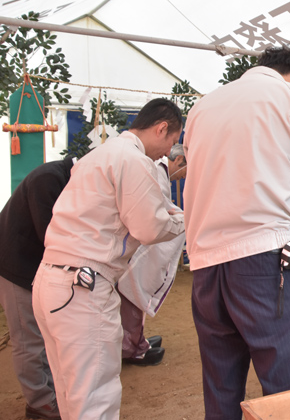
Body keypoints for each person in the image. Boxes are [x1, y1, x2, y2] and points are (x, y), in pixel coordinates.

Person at [183, 44, 290, 420]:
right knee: (286, 396)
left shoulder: (202, 107)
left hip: (207, 262)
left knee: (221, 385)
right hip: (268, 259)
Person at [32, 98, 186, 420]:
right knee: (94, 399)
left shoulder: (98, 156)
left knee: (70, 391)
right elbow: (149, 227)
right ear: (161, 129)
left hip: (50, 279)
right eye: (171, 143)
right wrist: (186, 220)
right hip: (82, 286)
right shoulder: (134, 160)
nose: (167, 154)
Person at [0, 158, 74, 420]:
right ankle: (39, 404)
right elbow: (50, 235)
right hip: (17, 267)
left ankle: (47, 394)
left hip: (33, 267)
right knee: (28, 340)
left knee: (41, 337)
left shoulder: (61, 177)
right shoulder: (49, 179)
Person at [118, 143, 188, 366]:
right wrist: (184, 218)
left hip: (139, 243)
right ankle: (132, 348)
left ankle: (137, 340)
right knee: (134, 292)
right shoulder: (156, 171)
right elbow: (159, 209)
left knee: (137, 293)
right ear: (178, 161)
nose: (186, 176)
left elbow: (165, 207)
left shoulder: (160, 173)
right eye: (187, 169)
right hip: (137, 245)